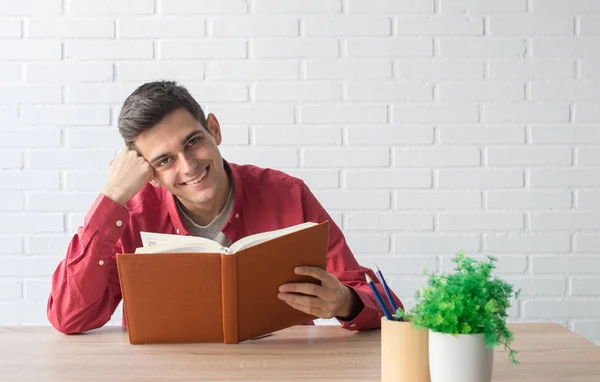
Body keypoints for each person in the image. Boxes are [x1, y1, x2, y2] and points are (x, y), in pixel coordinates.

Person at [47, 80, 402, 334]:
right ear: (149, 173)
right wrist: (111, 198)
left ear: (214, 129)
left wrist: (344, 302)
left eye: (194, 141)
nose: (188, 166)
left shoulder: (287, 194)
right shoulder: (132, 215)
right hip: (163, 380)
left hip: (279, 374)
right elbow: (70, 318)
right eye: (165, 160)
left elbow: (387, 305)